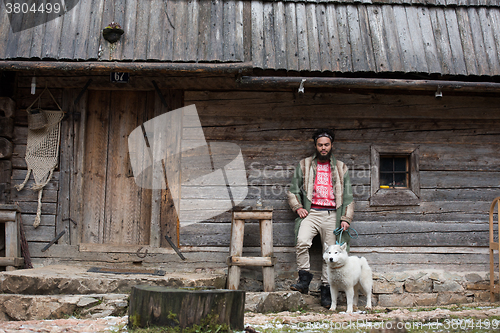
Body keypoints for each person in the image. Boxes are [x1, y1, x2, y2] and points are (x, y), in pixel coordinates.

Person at [287, 128, 354, 308]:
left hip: (333, 214)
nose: (323, 148)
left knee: (330, 252)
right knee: (302, 241)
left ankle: (326, 290)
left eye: (326, 145)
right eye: (320, 145)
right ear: (315, 146)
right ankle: (304, 280)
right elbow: (292, 191)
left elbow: (348, 196)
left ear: (331, 145)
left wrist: (346, 219)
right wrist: (298, 207)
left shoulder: (341, 167)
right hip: (312, 213)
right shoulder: (304, 165)